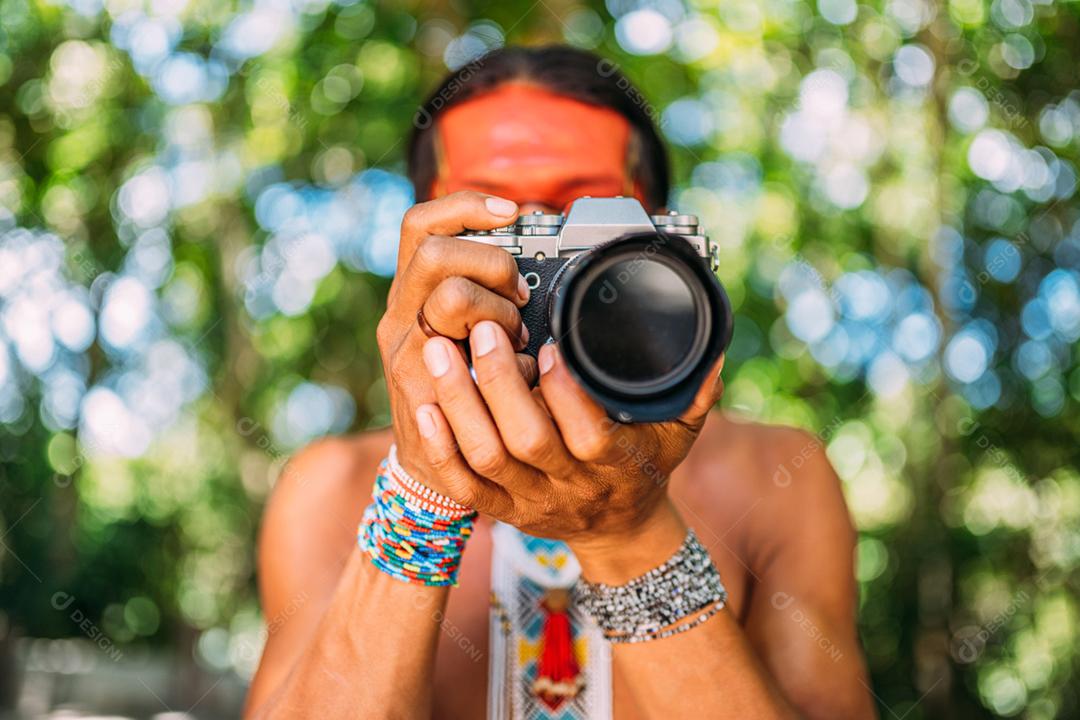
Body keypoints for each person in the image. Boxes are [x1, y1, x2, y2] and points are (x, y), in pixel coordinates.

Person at [245, 45, 876, 719]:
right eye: (495, 218)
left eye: (578, 215)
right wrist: (422, 488)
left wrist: (628, 533)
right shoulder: (329, 492)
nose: (534, 258)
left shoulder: (774, 476)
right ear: (420, 244)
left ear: (660, 233)